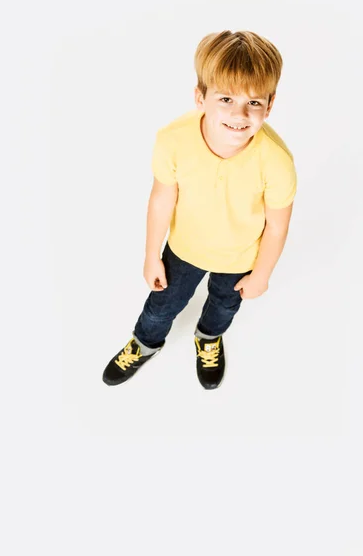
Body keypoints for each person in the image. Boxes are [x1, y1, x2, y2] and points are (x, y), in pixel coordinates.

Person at [102, 29, 297, 390]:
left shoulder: (277, 162)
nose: (239, 115)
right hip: (184, 249)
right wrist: (150, 255)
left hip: (241, 257)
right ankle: (145, 343)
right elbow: (162, 198)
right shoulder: (173, 140)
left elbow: (276, 227)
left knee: (224, 306)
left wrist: (262, 275)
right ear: (200, 97)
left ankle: (208, 338)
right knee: (161, 306)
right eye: (226, 98)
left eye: (254, 103)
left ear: (269, 105)